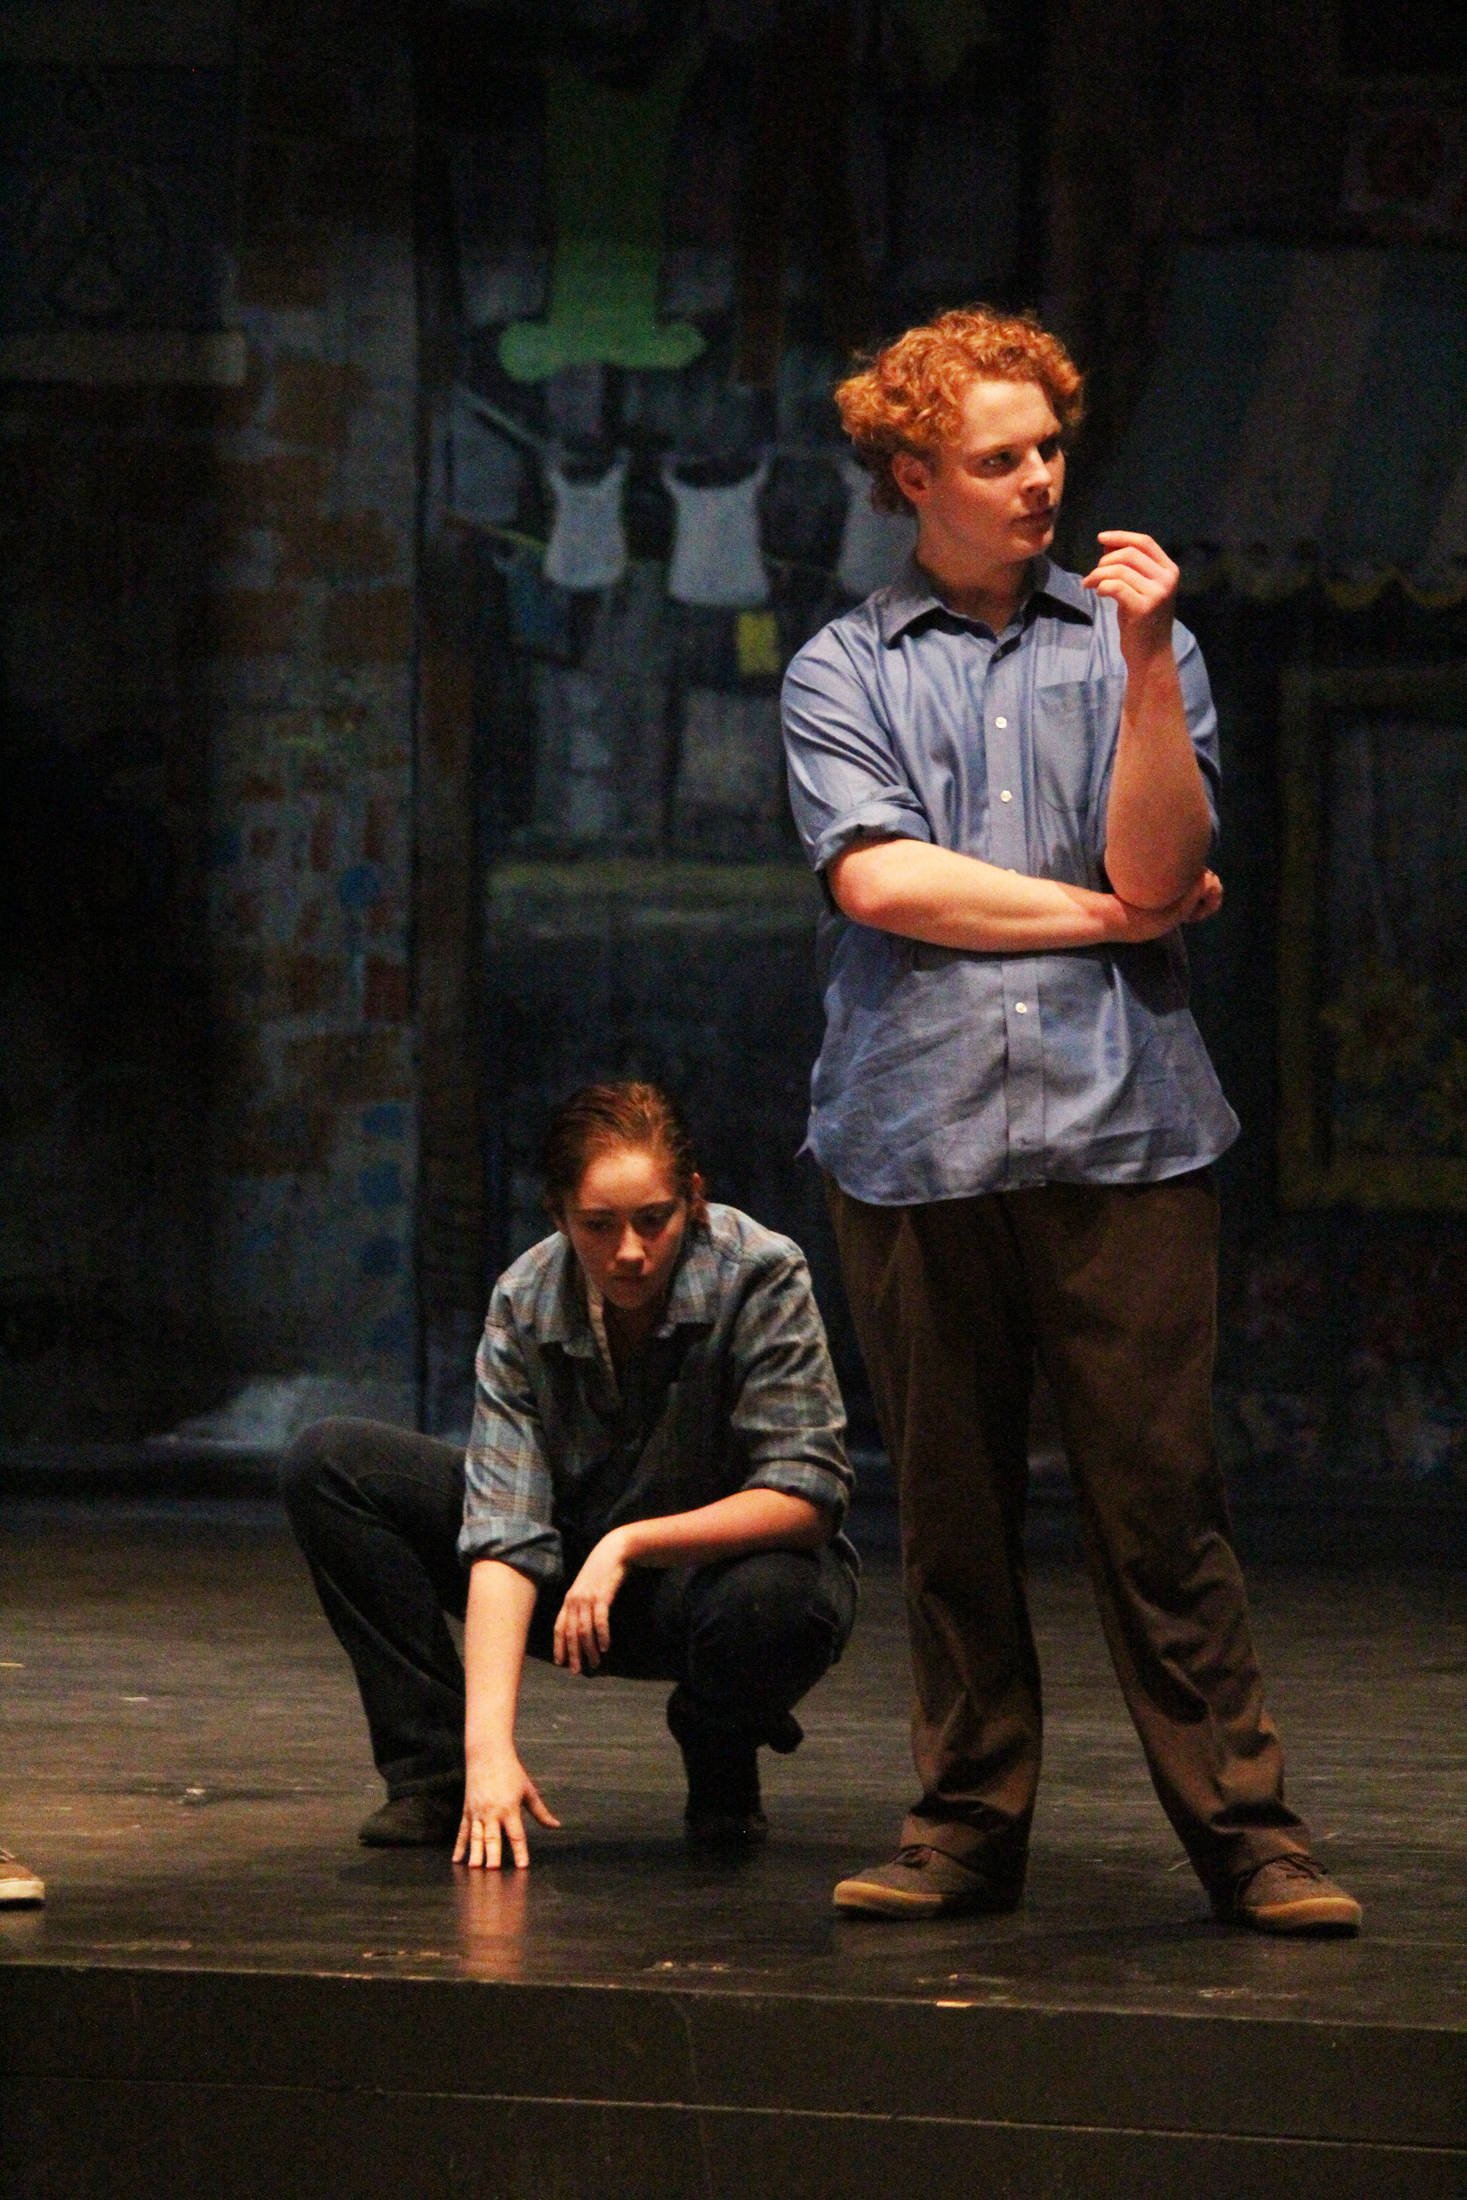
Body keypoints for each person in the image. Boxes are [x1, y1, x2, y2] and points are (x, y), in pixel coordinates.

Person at [780, 305, 1361, 1935]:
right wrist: (1107, 923)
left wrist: (1147, 671)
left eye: (1049, 449)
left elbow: (1164, 867)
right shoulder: (844, 668)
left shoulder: (1126, 647)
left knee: (1161, 1507)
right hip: (915, 1133)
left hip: (1124, 1129)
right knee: (953, 1513)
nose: (1040, 481)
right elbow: (885, 883)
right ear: (914, 475)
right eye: (997, 457)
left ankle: (1248, 1836)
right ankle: (962, 1829)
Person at [282, 1081, 858, 1863]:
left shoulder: (757, 1273)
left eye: (653, 1220)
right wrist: (492, 1748)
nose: (629, 1250)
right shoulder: (525, 1299)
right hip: (569, 1585)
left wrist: (627, 1545)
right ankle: (438, 1777)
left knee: (782, 1602)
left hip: (712, 1580)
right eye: (598, 1226)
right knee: (332, 1463)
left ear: (692, 1199)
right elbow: (505, 1529)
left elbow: (806, 1495)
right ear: (557, 1216)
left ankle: (718, 1742)